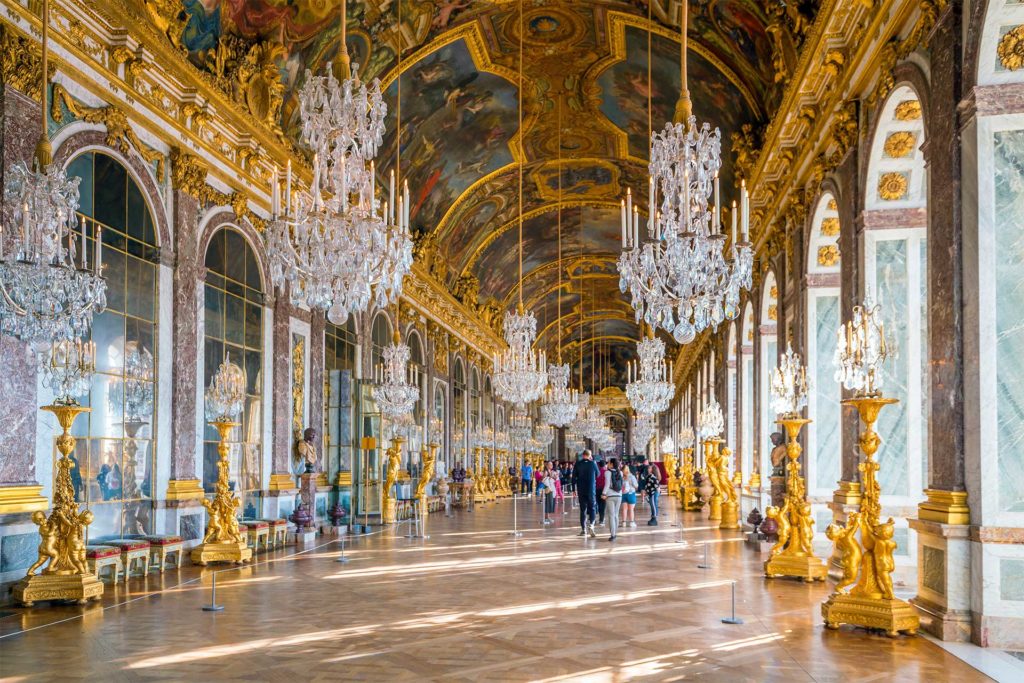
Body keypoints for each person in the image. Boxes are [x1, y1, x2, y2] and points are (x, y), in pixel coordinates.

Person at [573, 450, 599, 538]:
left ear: (583, 455)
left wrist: (573, 489)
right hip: (591, 490)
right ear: (590, 455)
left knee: (583, 510)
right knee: (592, 508)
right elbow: (598, 474)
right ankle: (591, 524)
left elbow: (573, 477)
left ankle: (583, 529)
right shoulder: (593, 464)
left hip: (581, 489)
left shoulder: (578, 464)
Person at [602, 458, 624, 541]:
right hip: (619, 495)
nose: (607, 464)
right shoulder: (620, 472)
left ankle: (613, 534)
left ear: (611, 464)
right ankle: (615, 532)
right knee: (616, 515)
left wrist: (603, 493)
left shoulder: (607, 472)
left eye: (608, 463)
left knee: (611, 515)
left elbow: (607, 484)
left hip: (610, 496)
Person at [620, 461, 638, 528]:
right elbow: (636, 485)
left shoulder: (621, 477)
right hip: (631, 494)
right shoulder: (632, 476)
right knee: (631, 509)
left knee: (624, 509)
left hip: (623, 494)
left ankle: (623, 522)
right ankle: (631, 522)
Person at [595, 460, 607, 526]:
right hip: (604, 491)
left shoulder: (597, 472)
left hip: (597, 490)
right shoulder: (606, 472)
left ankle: (601, 518)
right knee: (603, 505)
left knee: (599, 504)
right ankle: (601, 520)